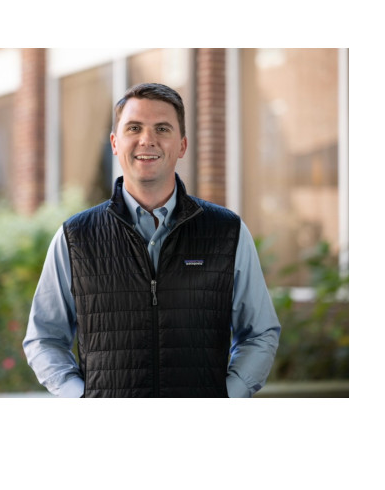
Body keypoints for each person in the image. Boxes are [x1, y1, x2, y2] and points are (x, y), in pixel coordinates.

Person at [23, 83, 280, 397]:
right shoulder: (75, 237)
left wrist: (228, 394)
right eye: (134, 128)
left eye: (162, 128)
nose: (148, 140)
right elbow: (44, 338)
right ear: (115, 143)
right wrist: (79, 397)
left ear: (182, 145)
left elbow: (261, 333)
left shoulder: (227, 232)